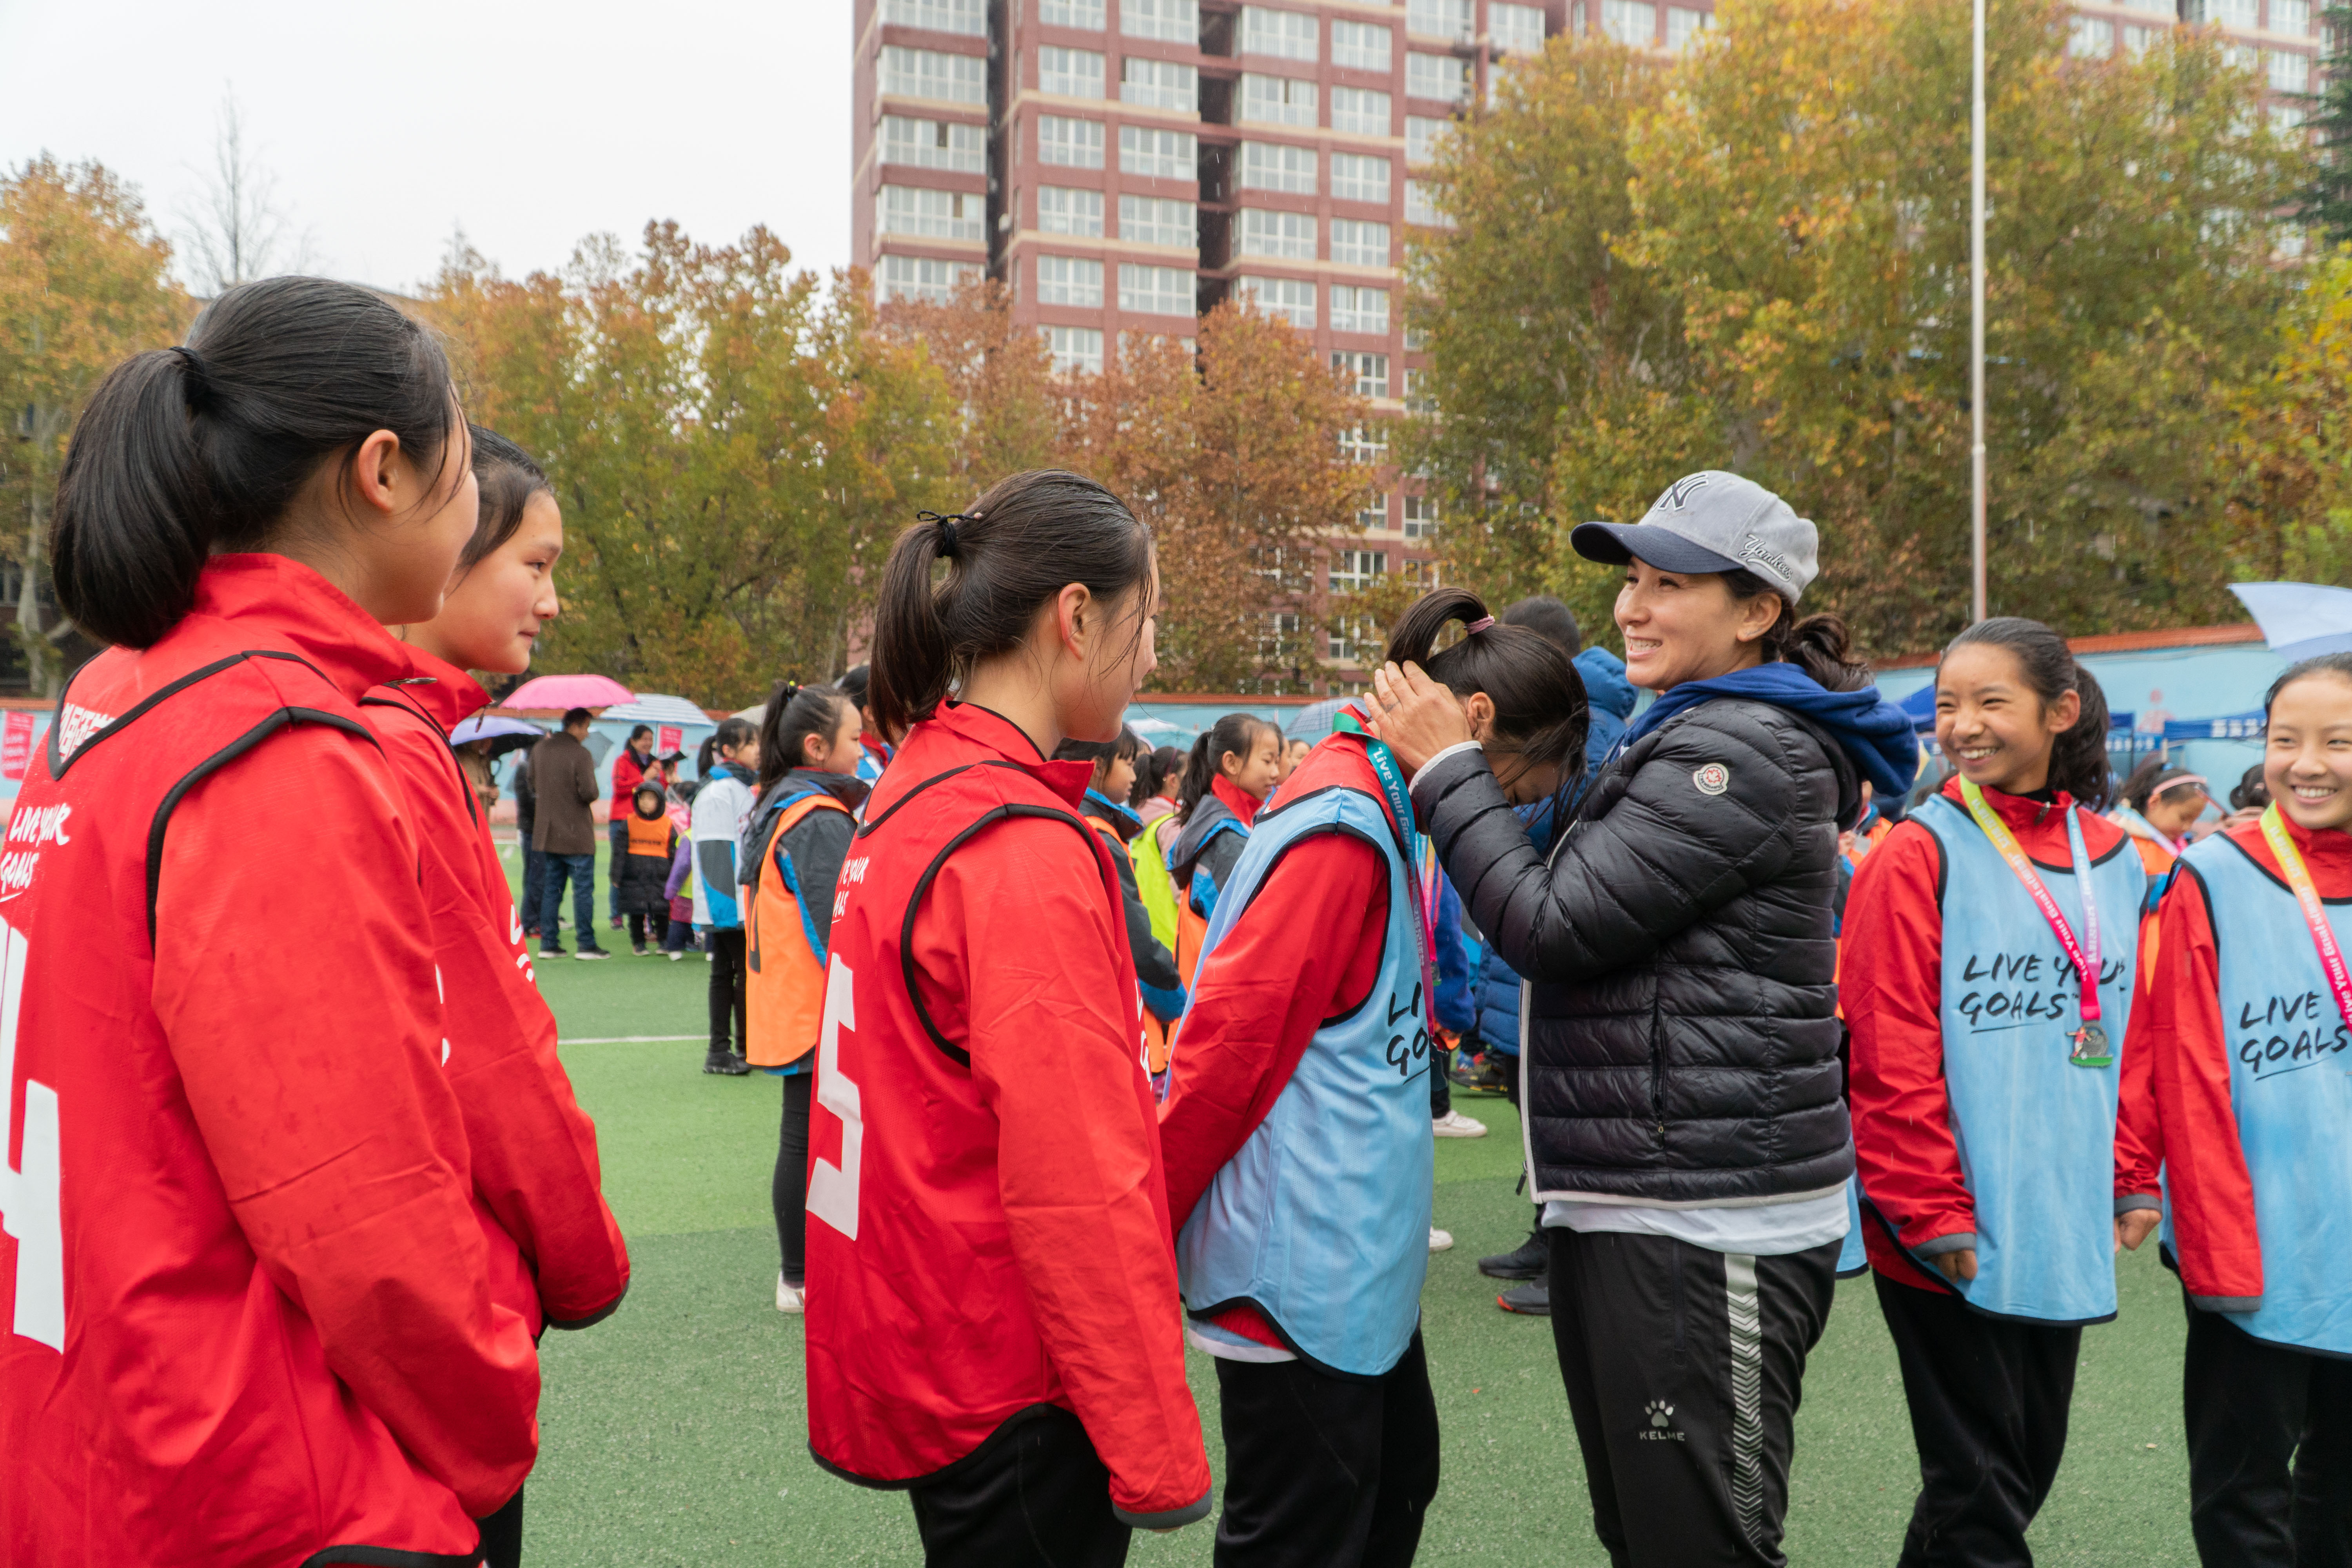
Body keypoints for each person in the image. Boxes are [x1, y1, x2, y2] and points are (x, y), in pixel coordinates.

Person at [0, 276, 537, 1564]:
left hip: (105, 1418)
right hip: (254, 1472)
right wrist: (491, 1426)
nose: (477, 516)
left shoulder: (119, 691)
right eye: (468, 469)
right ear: (384, 473)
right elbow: (365, 1217)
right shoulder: (276, 743)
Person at [1370, 470, 1917, 1568]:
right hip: (1650, 1201)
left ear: (1757, 611)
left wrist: (1447, 770)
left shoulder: (1739, 753)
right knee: (1648, 1531)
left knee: (1699, 1541)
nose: (1632, 609)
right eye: (1631, 580)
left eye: (1670, 584)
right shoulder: (1695, 728)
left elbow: (1553, 927)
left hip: (1707, 1222)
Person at [805, 472, 1212, 1564]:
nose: (1154, 655)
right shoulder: (1019, 846)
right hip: (1014, 1379)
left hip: (939, 1344)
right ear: (1076, 619)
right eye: (1151, 620)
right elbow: (1079, 1178)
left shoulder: (915, 793)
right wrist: (1156, 1445)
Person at [1161, 586, 1586, 1567]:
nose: (1511, 812)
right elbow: (1222, 1059)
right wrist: (1147, 1234)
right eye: (1519, 785)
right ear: (1473, 724)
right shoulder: (1341, 828)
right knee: (1308, 1533)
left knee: (1396, 1483)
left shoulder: (1379, 806)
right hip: (1296, 1272)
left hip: (1348, 1263)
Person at [368, 423, 634, 1566]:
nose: (552, 599)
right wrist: (582, 1260)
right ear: (445, 544)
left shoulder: (406, 734)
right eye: (535, 563)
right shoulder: (395, 750)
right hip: (434, 1313)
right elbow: (486, 1057)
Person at [1841, 618, 2157, 1568]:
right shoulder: (1916, 851)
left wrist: (2133, 1171)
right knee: (1979, 1485)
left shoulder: (2120, 858)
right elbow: (1886, 1045)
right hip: (1942, 1222)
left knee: (2015, 1467)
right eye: (1946, 704)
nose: (1962, 726)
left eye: (1990, 702)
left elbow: (2139, 1037)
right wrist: (1928, 1208)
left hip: (2056, 1216)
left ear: (2060, 712)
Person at [2123, 652, 2352, 1568]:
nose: (2307, 762)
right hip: (2253, 1239)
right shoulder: (2213, 873)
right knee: (2243, 1494)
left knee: (2339, 1497)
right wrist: (2204, 1229)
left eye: (2338, 741)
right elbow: (2172, 1058)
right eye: (2284, 739)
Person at [1472, 599, 1640, 1311]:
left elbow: (1554, 815)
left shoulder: (1587, 723)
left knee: (1566, 1108)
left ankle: (1571, 1263)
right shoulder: (1568, 714)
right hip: (1519, 951)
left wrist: (1481, 805)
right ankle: (1548, 1234)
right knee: (1532, 1101)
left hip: (1549, 943)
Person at [740, 681, 869, 1314]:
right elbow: (838, 925)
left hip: (794, 1000)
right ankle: (799, 1275)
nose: (863, 747)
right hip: (816, 1004)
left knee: (806, 1134)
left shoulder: (785, 805)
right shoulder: (816, 818)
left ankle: (803, 1270)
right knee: (806, 1136)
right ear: (817, 748)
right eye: (854, 738)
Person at [1058, 726, 1187, 1089]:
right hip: (1119, 1005)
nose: (1134, 775)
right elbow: (1137, 942)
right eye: (1128, 764)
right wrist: (1177, 998)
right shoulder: (1101, 835)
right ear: (1098, 767)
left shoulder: (1068, 817)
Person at [1166, 713, 1283, 990]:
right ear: (1231, 763)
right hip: (1220, 997)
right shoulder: (1227, 841)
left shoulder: (1223, 824)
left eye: (1277, 762)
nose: (1276, 773)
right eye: (1268, 761)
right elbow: (1250, 938)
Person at [692, 717, 761, 1074]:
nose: (758, 750)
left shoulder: (738, 788)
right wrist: (727, 911)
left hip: (734, 900)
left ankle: (725, 1050)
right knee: (738, 974)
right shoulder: (720, 792)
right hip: (729, 902)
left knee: (725, 973)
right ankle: (738, 1049)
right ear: (728, 751)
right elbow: (716, 852)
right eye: (751, 744)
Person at [533, 708, 609, 958]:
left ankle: (548, 944)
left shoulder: (540, 749)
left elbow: (531, 782)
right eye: (586, 728)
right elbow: (590, 793)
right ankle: (586, 944)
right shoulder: (581, 754)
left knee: (551, 891)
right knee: (583, 891)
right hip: (577, 834)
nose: (587, 734)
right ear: (576, 726)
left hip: (547, 833)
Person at [2114, 759, 2213, 887]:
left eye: (2193, 820)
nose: (2187, 827)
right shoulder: (2125, 845)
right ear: (2154, 802)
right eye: (2184, 818)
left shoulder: (2173, 843)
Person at [615, 783, 678, 954]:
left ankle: (664, 941)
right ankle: (638, 943)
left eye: (651, 798)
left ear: (660, 802)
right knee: (636, 911)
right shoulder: (628, 823)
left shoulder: (667, 824)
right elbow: (619, 852)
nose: (645, 802)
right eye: (642, 798)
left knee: (661, 910)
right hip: (633, 876)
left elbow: (673, 853)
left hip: (660, 876)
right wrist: (616, 875)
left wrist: (674, 877)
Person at [608, 723, 657, 926]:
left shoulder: (656, 764)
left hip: (647, 820)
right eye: (644, 739)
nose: (648, 743)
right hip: (622, 820)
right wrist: (643, 779)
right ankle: (616, 914)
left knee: (646, 869)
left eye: (651, 739)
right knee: (620, 867)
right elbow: (620, 788)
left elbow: (660, 792)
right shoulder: (623, 761)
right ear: (634, 741)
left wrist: (666, 776)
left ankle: (643, 916)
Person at [837, 662, 896, 785]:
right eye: (894, 705)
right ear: (871, 713)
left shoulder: (884, 753)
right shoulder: (859, 768)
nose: (903, 715)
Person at [514, 741, 543, 938]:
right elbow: (528, 802)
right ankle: (530, 921)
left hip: (537, 829)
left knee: (539, 876)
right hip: (532, 830)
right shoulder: (525, 768)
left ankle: (537, 918)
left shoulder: (536, 767)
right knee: (535, 877)